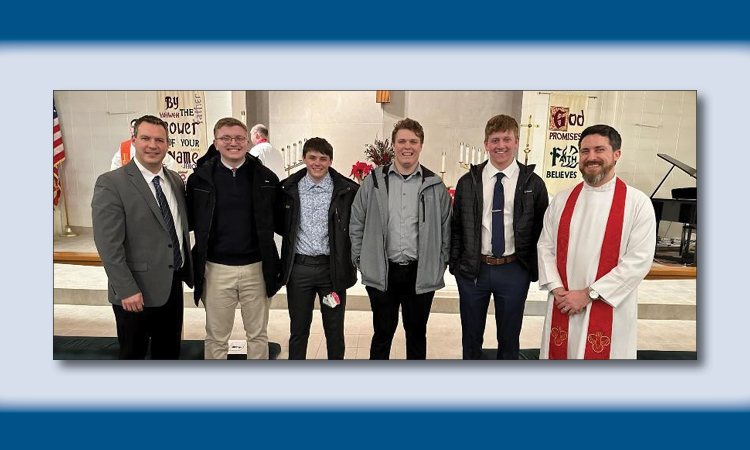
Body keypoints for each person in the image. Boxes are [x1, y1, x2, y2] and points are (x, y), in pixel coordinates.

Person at [538, 124, 656, 359]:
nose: (591, 157)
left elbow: (638, 261)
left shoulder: (637, 203)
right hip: (563, 303)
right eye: (584, 151)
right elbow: (545, 247)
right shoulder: (561, 200)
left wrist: (588, 294)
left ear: (616, 154)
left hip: (609, 306)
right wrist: (558, 290)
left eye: (599, 150)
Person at [92, 115, 193, 359]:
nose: (153, 145)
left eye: (160, 140)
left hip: (171, 285)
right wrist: (126, 289)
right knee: (133, 356)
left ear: (168, 145)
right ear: (133, 141)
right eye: (145, 138)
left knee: (168, 353)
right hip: (134, 292)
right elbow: (108, 244)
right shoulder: (111, 183)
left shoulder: (175, 181)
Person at [349, 118, 451, 360]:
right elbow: (357, 221)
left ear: (421, 145)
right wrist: (361, 258)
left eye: (413, 141)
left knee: (417, 335)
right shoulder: (374, 181)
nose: (408, 146)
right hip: (384, 272)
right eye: (402, 141)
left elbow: (447, 226)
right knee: (382, 334)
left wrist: (441, 262)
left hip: (420, 272)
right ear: (393, 145)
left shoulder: (435, 185)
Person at [450, 114, 549, 360]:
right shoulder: (468, 182)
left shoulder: (533, 183)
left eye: (506, 139)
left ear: (516, 141)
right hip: (475, 270)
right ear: (485, 144)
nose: (500, 145)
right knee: (471, 336)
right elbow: (457, 226)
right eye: (495, 140)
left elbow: (542, 229)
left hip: (514, 269)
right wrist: (456, 266)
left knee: (509, 336)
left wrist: (532, 269)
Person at [186, 117, 281, 360]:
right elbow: (190, 220)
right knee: (217, 337)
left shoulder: (266, 178)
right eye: (226, 138)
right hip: (216, 268)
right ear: (215, 143)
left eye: (239, 138)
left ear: (248, 142)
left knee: (258, 335)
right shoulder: (199, 179)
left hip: (256, 268)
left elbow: (279, 220)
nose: (233, 143)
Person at [277, 137, 359, 359]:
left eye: (323, 158)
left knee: (334, 331)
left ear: (330, 161)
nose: (317, 163)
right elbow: (280, 224)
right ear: (303, 158)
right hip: (299, 269)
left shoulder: (346, 191)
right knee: (299, 329)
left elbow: (355, 227)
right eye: (312, 157)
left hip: (331, 270)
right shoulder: (288, 189)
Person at [111, 118, 178, 171]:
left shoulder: (158, 151)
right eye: (145, 138)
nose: (152, 146)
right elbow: (115, 168)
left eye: (159, 140)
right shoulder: (124, 147)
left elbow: (171, 166)